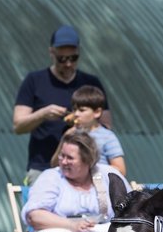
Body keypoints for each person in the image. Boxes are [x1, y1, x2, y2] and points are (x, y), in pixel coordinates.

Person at [12, 24, 110, 183]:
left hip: (84, 168)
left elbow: (106, 124)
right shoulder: (34, 80)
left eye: (73, 58)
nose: (68, 64)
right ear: (51, 52)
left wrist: (83, 126)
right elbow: (18, 126)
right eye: (62, 59)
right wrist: (43, 114)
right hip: (43, 167)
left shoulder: (91, 83)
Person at [69, 86, 125, 176]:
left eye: (81, 110)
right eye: (74, 109)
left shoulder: (107, 136)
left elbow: (121, 170)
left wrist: (92, 168)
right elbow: (55, 163)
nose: (76, 114)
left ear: (97, 112)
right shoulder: (71, 134)